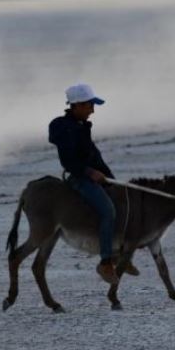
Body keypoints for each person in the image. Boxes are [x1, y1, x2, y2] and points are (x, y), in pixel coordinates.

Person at [48, 83, 138, 284]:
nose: (92, 110)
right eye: (89, 105)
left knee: (123, 202)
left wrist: (110, 178)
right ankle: (105, 263)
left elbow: (95, 156)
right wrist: (89, 172)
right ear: (77, 105)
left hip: (92, 176)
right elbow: (68, 162)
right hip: (79, 179)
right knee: (108, 211)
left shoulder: (82, 126)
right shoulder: (64, 128)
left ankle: (119, 254)